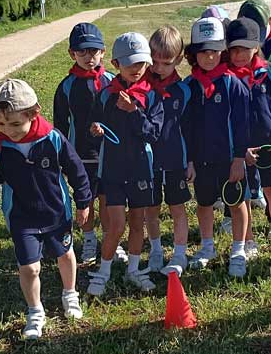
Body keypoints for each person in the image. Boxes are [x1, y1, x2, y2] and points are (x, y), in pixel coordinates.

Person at [0, 79, 91, 340]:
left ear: (34, 113)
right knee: (30, 268)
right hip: (22, 219)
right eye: (0, 124)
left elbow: (76, 170)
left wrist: (83, 201)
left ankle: (69, 294)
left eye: (15, 123)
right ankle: (35, 310)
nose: (8, 130)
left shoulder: (53, 138)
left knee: (65, 255)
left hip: (56, 214)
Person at [87, 32, 164, 296]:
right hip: (113, 169)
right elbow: (98, 124)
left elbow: (153, 132)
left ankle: (134, 269)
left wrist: (134, 112)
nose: (137, 69)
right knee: (116, 224)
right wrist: (96, 129)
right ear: (116, 64)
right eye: (130, 63)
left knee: (137, 222)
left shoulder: (151, 95)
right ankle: (104, 271)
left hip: (141, 168)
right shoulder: (107, 94)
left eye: (141, 63)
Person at [182, 17, 251, 277]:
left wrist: (238, 159)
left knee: (237, 202)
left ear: (222, 52)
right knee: (204, 203)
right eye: (203, 52)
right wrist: (189, 160)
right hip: (201, 159)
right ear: (193, 54)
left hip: (229, 158)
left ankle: (239, 249)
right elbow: (185, 128)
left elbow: (243, 125)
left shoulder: (234, 85)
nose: (209, 58)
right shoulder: (188, 87)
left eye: (214, 52)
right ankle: (207, 246)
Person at [53, 22, 124, 265]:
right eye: (81, 52)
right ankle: (89, 239)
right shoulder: (66, 87)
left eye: (93, 51)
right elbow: (60, 127)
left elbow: (122, 119)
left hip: (110, 154)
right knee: (86, 201)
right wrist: (61, 158)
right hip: (79, 155)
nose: (88, 57)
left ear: (103, 52)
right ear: (72, 54)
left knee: (108, 200)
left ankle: (110, 240)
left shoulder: (113, 82)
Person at [225, 16, 271, 259]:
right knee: (243, 194)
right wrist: (236, 150)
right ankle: (248, 240)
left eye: (245, 49)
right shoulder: (225, 77)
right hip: (240, 147)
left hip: (269, 144)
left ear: (256, 47)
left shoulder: (270, 73)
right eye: (234, 49)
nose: (238, 55)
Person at [143, 25, 193, 276]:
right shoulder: (142, 88)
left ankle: (180, 253)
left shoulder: (184, 91)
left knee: (177, 208)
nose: (158, 67)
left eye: (166, 63)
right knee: (151, 209)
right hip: (149, 161)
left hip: (176, 160)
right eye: (154, 61)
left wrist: (190, 161)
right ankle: (155, 250)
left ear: (179, 60)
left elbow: (190, 129)